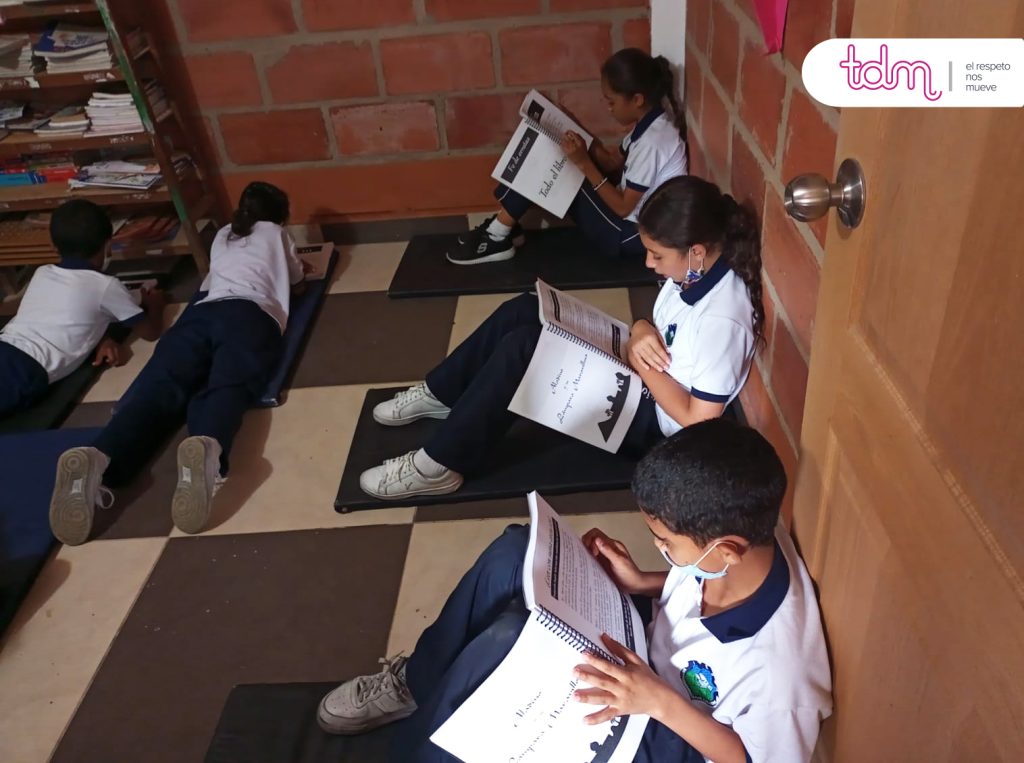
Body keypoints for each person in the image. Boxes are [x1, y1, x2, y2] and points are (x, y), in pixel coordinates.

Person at [318, 419, 834, 762]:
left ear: (726, 548)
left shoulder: (779, 678)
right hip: (646, 655)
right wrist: (642, 582)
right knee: (517, 552)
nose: (659, 548)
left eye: (665, 542)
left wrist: (659, 703)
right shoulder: (751, 534)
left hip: (669, 730)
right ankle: (418, 683)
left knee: (507, 640)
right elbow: (702, 586)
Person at [359, 175, 765, 501]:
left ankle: (437, 466)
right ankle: (443, 393)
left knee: (524, 351)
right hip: (642, 372)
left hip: (654, 423)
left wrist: (639, 359)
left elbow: (698, 422)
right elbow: (658, 329)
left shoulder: (722, 320)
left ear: (696, 251)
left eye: (657, 255)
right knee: (525, 309)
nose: (647, 263)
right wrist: (640, 330)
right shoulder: (694, 272)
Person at [48, 181, 305, 545]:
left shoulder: (224, 234)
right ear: (280, 216)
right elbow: (297, 281)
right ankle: (207, 443)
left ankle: (100, 455)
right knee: (228, 383)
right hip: (250, 315)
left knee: (161, 385)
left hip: (200, 315)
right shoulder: (278, 234)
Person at [448, 47, 687, 265]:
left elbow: (624, 208)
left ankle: (497, 235)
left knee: (556, 160)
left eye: (611, 102)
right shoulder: (649, 124)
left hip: (629, 234)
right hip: (629, 220)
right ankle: (505, 227)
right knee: (553, 147)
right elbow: (613, 163)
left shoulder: (654, 141)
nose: (609, 108)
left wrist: (583, 163)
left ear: (637, 100)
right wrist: (575, 129)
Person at [0, 199, 164, 418]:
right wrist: (156, 305)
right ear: (108, 245)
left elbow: (64, 316)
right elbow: (151, 332)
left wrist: (102, 339)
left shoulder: (42, 272)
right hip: (27, 370)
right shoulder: (106, 286)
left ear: (54, 246)